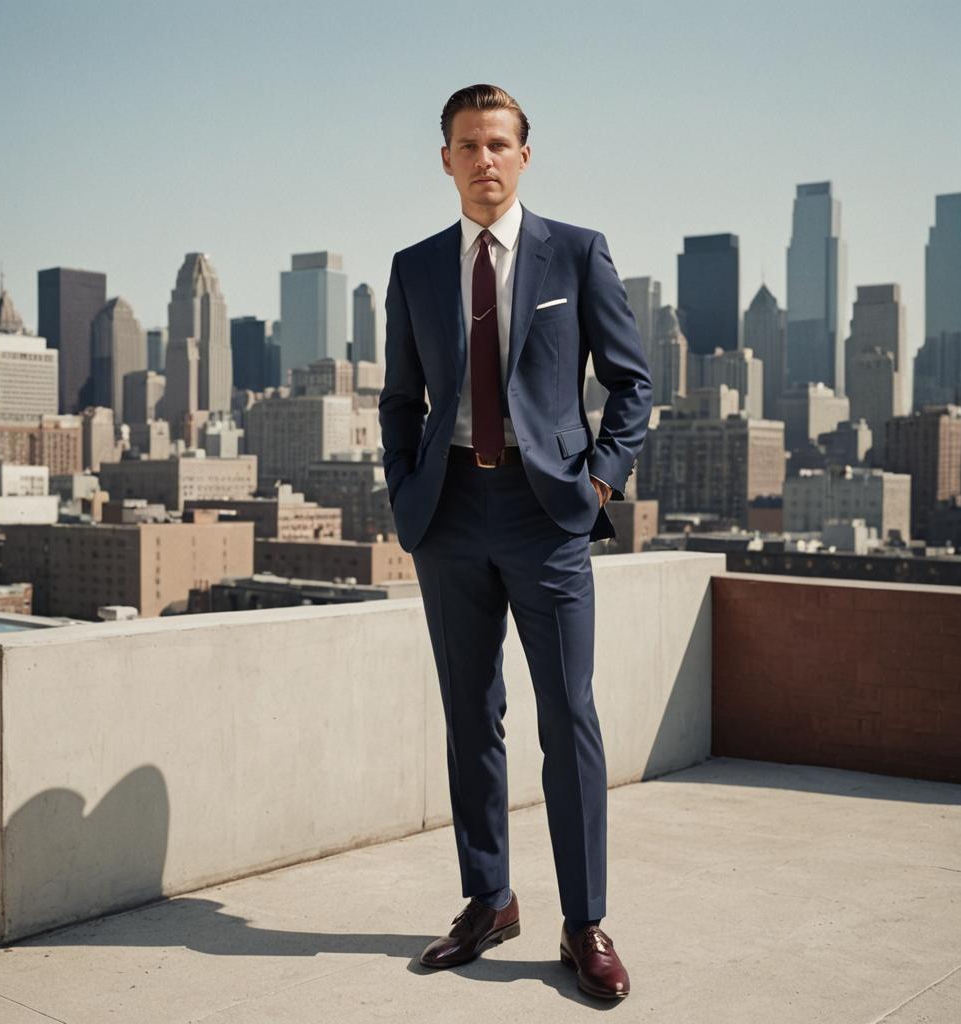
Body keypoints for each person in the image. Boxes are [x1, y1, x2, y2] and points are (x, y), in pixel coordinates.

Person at [377, 83, 652, 1000]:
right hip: (448, 515)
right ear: (446, 160)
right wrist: (406, 489)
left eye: (499, 142)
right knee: (470, 716)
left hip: (548, 517)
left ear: (524, 156)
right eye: (467, 144)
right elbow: (397, 399)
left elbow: (631, 382)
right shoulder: (414, 267)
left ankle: (586, 924)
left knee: (568, 719)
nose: (484, 159)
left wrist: (600, 480)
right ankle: (489, 898)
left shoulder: (575, 253)